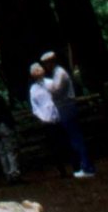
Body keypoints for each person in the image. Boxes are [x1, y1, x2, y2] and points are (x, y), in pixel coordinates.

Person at [40, 49, 95, 178]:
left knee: (76, 138)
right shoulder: (55, 73)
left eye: (47, 63)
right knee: (73, 138)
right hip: (63, 108)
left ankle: (87, 167)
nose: (46, 66)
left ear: (51, 62)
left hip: (67, 107)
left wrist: (46, 87)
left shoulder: (60, 73)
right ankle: (84, 166)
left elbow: (57, 90)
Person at [28, 60, 68, 171]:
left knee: (64, 139)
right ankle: (61, 168)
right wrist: (42, 117)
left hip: (59, 115)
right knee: (53, 143)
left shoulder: (51, 83)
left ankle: (72, 162)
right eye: (35, 71)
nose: (38, 72)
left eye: (39, 69)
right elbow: (35, 106)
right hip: (46, 119)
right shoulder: (33, 89)